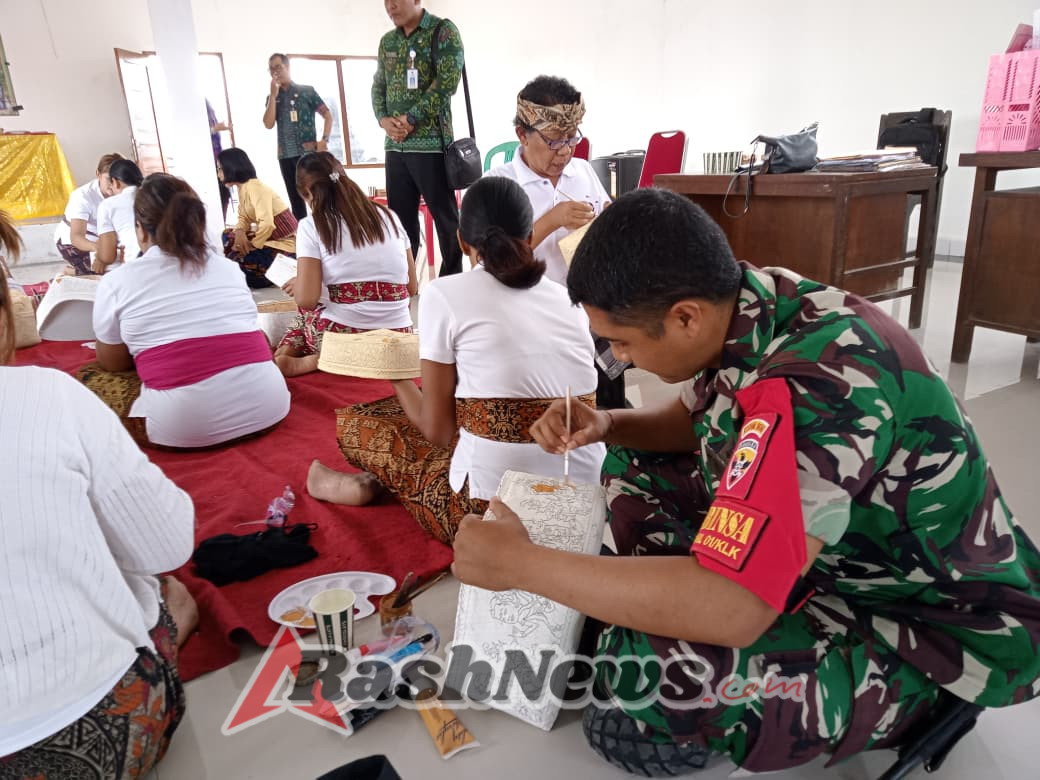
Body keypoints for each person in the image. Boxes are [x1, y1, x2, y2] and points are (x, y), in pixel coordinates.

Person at [451, 188, 1040, 775]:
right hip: (834, 561)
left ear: (685, 317)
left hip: (927, 624)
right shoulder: (750, 302)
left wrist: (523, 567)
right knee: (636, 466)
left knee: (650, 675)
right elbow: (696, 422)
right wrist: (606, 422)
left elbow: (737, 609)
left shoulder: (821, 381)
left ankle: (924, 701)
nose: (620, 360)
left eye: (623, 342)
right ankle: (673, 599)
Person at [0, 210, 198, 778]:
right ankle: (158, 634)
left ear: (142, 227)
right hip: (101, 726)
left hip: (173, 413)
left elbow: (113, 358)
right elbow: (167, 545)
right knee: (156, 581)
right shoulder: (45, 396)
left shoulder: (120, 275)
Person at [309, 176, 605, 543]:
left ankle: (352, 485)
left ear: (463, 241)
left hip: (489, 516)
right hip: (582, 506)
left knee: (369, 425)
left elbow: (438, 431)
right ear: (531, 235)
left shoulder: (444, 294)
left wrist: (396, 375)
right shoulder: (567, 299)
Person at [78, 173, 291, 449]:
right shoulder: (228, 269)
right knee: (253, 340)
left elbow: (113, 363)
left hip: (182, 428)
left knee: (89, 376)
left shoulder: (117, 282)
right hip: (269, 407)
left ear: (140, 230)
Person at [485, 76, 626, 409]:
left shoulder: (583, 171)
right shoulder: (499, 184)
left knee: (606, 406)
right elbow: (493, 262)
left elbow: (604, 218)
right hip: (533, 321)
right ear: (522, 134)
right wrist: (552, 221)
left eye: (571, 139)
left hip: (591, 312)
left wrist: (610, 221)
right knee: (553, 413)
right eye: (552, 141)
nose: (564, 152)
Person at [273, 152, 417, 377]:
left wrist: (301, 283)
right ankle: (359, 355)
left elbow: (307, 300)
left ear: (306, 193)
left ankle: (315, 358)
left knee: (304, 313)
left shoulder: (312, 226)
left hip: (342, 336)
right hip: (398, 334)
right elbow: (411, 288)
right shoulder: (390, 217)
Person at [372, 0, 465, 277]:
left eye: (396, 0)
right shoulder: (387, 41)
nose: (390, 6)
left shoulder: (442, 31)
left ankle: (452, 280)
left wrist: (411, 119)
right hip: (395, 146)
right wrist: (383, 119)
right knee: (400, 222)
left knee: (446, 219)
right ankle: (406, 281)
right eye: (386, 2)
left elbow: (447, 83)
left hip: (431, 145)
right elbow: (378, 85)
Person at [262, 53, 333, 219]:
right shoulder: (273, 97)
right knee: (296, 201)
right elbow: (268, 123)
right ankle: (303, 240)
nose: (275, 72)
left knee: (318, 196)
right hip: (285, 155)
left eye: (278, 67)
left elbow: (328, 115)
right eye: (271, 69)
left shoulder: (306, 91)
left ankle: (327, 234)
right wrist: (273, 95)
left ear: (288, 67)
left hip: (307, 154)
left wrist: (325, 140)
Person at [217, 147, 298, 288]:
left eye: (220, 169)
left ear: (231, 167)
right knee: (228, 236)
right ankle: (247, 268)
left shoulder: (255, 188)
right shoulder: (242, 188)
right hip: (268, 240)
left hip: (284, 245)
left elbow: (267, 225)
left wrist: (253, 245)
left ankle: (256, 271)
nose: (218, 174)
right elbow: (243, 217)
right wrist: (240, 232)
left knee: (246, 258)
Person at [53, 152, 122, 275]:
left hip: (104, 238)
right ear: (98, 174)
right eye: (108, 179)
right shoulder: (82, 196)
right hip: (75, 241)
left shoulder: (125, 191)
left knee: (125, 266)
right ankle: (72, 272)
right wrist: (99, 251)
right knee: (102, 271)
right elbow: (76, 237)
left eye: (118, 179)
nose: (114, 184)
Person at [92, 158, 144, 272]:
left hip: (137, 265)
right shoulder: (152, 195)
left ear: (115, 182)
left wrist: (99, 257)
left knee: (102, 263)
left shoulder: (108, 205)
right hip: (170, 260)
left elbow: (107, 256)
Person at [207, 98, 232, 220]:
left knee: (224, 193)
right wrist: (214, 129)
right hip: (208, 162)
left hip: (218, 160)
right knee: (220, 194)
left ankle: (222, 223)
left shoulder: (207, 103)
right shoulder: (195, 103)